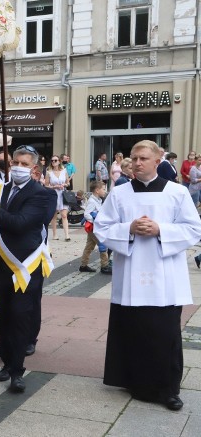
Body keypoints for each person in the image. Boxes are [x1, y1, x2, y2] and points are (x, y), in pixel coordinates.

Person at [95, 140, 201, 411]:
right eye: (133, 158)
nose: (137, 163)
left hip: (165, 274)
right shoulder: (119, 193)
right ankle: (135, 382)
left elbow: (193, 229)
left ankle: (168, 389)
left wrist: (161, 230)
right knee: (132, 329)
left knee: (164, 332)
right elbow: (102, 227)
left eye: (143, 158)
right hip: (129, 274)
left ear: (158, 161)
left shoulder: (177, 192)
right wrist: (128, 228)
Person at [0, 145, 51, 394]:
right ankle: (6, 362)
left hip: (25, 265)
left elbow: (21, 224)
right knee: (3, 314)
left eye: (24, 164)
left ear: (34, 169)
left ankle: (17, 370)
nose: (18, 167)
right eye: (15, 162)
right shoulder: (1, 189)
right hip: (1, 263)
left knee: (20, 315)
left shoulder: (42, 194)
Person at [79, 181, 111, 274]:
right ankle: (104, 266)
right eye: (103, 189)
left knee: (89, 246)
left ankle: (83, 265)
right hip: (94, 228)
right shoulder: (92, 201)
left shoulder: (98, 200)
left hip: (93, 228)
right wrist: (95, 221)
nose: (105, 191)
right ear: (97, 190)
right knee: (102, 244)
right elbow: (86, 214)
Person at [45, 155, 70, 241]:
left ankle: (67, 235)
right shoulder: (49, 172)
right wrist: (54, 187)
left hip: (62, 194)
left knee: (64, 215)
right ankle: (55, 234)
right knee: (54, 215)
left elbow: (68, 183)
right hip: (53, 194)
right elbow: (46, 185)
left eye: (55, 160)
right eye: (52, 161)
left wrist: (64, 185)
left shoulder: (64, 171)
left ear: (59, 161)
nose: (53, 162)